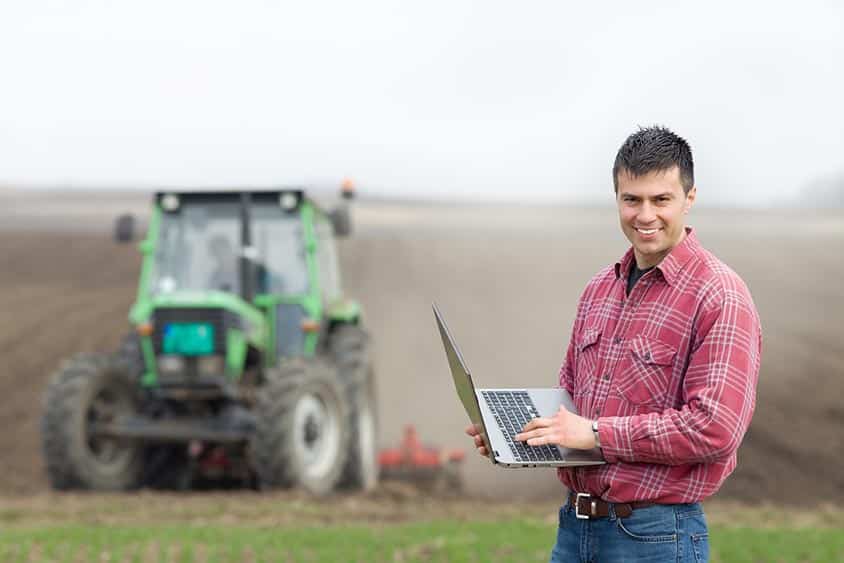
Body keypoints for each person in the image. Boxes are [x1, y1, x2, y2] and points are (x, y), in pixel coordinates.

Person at [466, 126, 761, 562]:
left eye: (661, 199)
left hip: (656, 538)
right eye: (632, 199)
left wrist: (596, 433)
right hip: (575, 531)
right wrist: (519, 437)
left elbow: (714, 428)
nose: (645, 215)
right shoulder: (598, 290)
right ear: (617, 198)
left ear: (689, 198)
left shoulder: (718, 295)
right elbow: (572, 407)